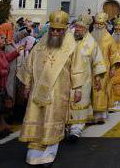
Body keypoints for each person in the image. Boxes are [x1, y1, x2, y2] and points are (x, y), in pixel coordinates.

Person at [18, 10, 78, 166]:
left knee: (52, 120)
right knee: (37, 119)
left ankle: (48, 154)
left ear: (65, 29)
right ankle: (34, 152)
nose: (56, 33)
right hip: (37, 91)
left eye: (59, 30)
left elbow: (77, 69)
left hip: (58, 92)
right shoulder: (42, 42)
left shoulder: (72, 45)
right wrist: (27, 84)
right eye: (53, 29)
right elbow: (30, 64)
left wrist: (77, 89)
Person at [67, 13, 106, 141]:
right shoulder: (68, 39)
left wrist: (98, 79)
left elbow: (98, 61)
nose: (78, 29)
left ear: (86, 29)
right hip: (67, 77)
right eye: (77, 27)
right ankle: (67, 125)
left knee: (80, 102)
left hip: (84, 79)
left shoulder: (91, 43)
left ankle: (77, 127)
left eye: (81, 28)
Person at [90, 12, 115, 124]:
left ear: (105, 25)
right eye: (97, 24)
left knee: (101, 90)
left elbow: (114, 54)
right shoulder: (90, 36)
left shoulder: (109, 38)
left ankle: (101, 115)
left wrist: (113, 68)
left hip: (104, 69)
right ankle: (90, 114)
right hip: (90, 69)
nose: (99, 26)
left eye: (101, 24)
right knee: (91, 91)